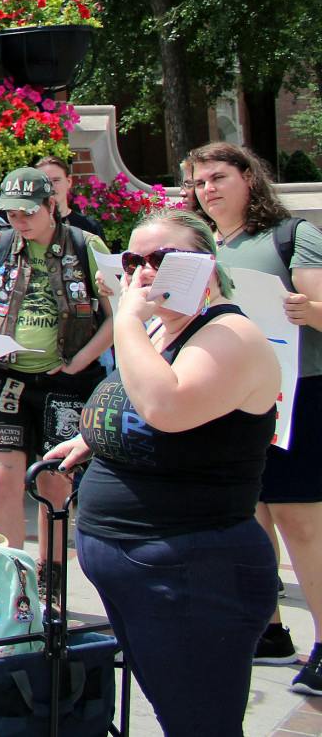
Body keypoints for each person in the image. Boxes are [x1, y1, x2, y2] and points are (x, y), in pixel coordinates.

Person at [44, 211, 281, 736]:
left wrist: (123, 319)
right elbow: (133, 400)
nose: (145, 272)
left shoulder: (230, 335)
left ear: (209, 266)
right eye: (134, 261)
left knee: (199, 725)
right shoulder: (160, 328)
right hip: (137, 567)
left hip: (192, 569)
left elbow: (166, 405)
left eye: (163, 259)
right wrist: (93, 438)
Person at [186, 141, 322, 685]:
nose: (208, 190)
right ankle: (269, 629)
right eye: (198, 183)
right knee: (248, 516)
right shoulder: (197, 246)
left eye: (218, 177)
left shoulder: (292, 236)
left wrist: (306, 309)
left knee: (301, 522)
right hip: (229, 397)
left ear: (249, 177)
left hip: (299, 394)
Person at [0, 166, 113, 557]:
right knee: (2, 478)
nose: (20, 222)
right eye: (12, 215)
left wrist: (80, 361)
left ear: (51, 205)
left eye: (28, 213)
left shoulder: (87, 246)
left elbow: (118, 317)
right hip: (4, 375)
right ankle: (9, 572)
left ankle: (51, 576)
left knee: (54, 482)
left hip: (66, 378)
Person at [35, 154, 102, 237]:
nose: (50, 186)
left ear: (69, 181)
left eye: (56, 180)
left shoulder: (89, 226)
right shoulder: (28, 226)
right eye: (44, 181)